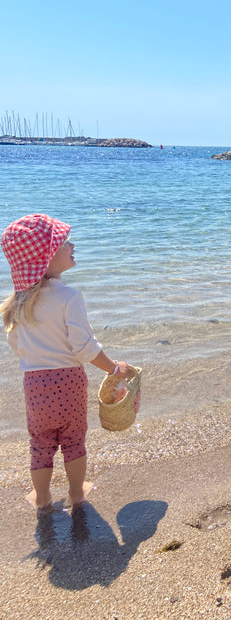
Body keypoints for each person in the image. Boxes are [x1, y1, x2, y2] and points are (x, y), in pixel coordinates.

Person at [0, 214, 130, 509]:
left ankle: (43, 497)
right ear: (45, 258)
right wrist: (113, 368)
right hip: (69, 382)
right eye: (63, 242)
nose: (71, 244)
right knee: (73, 441)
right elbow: (84, 347)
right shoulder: (69, 297)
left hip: (35, 385)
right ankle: (75, 493)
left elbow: (16, 345)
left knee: (40, 444)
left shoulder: (20, 302)